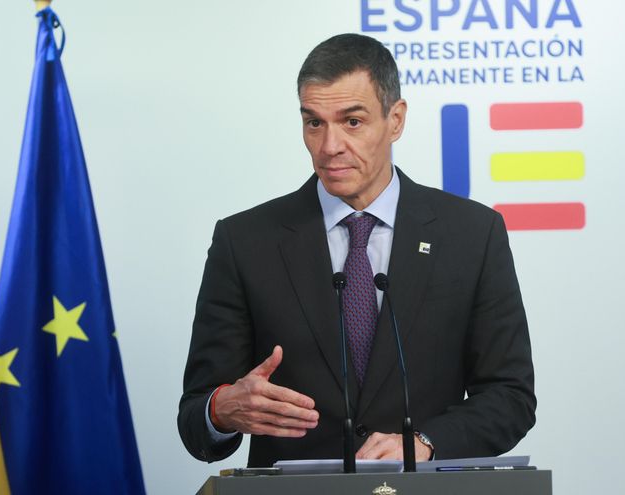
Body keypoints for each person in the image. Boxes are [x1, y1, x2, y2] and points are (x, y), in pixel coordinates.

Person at [178, 33, 536, 468]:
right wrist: (221, 409)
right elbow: (196, 417)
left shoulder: (472, 234)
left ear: (396, 119)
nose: (329, 147)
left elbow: (510, 396)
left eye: (352, 121)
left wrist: (426, 441)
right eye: (314, 123)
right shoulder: (245, 241)